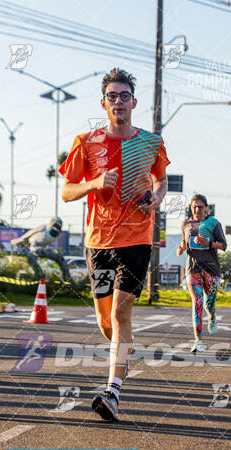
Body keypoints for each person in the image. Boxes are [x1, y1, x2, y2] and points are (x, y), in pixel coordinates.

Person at [59, 68, 169, 421]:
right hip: (98, 241)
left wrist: (157, 197)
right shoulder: (85, 142)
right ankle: (121, 353)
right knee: (106, 321)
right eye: (112, 96)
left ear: (133, 102)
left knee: (122, 311)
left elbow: (162, 179)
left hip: (137, 237)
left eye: (124, 96)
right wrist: (93, 183)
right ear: (103, 102)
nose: (118, 101)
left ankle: (113, 392)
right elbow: (66, 192)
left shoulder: (151, 142)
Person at [177, 194, 227, 352]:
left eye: (200, 206)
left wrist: (208, 243)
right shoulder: (186, 224)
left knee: (208, 304)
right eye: (194, 207)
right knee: (197, 302)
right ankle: (198, 340)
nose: (197, 209)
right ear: (190, 208)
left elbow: (224, 245)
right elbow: (183, 243)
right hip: (193, 269)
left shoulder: (213, 223)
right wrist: (181, 248)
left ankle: (212, 316)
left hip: (211, 270)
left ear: (206, 208)